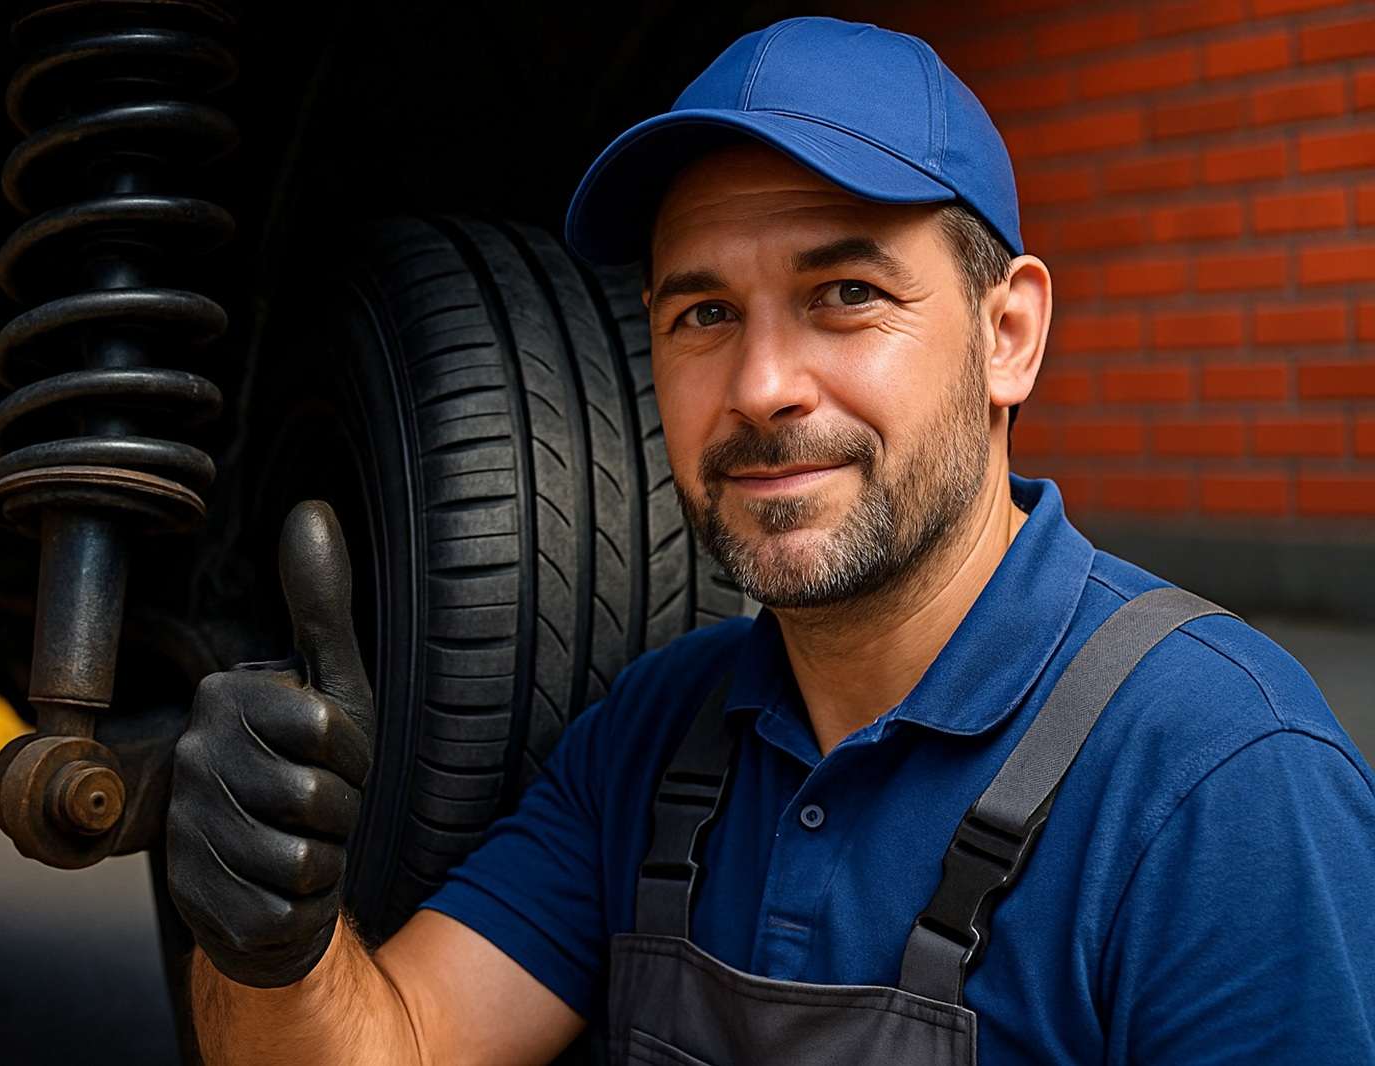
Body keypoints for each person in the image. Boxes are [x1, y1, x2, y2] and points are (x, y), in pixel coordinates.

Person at [165, 17, 1375, 1065]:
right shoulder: (649, 738)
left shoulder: (1221, 783)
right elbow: (397, 1043)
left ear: (1008, 335)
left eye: (844, 293)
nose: (760, 386)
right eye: (702, 313)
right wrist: (268, 936)